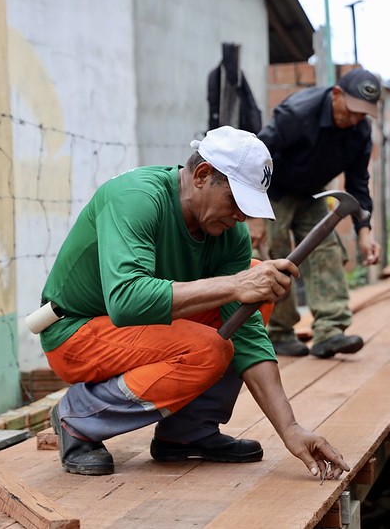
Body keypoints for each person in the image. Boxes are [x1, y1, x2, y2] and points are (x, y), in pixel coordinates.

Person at [35, 126, 349, 480]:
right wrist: (234, 285)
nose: (241, 217)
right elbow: (125, 300)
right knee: (210, 344)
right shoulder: (136, 198)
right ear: (202, 176)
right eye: (236, 201)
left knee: (254, 292)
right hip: (75, 332)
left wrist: (291, 429)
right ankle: (77, 418)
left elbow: (246, 335)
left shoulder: (230, 234)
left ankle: (187, 433)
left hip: (135, 330)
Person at [248, 67, 382, 359]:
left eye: (364, 113)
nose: (356, 119)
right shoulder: (297, 113)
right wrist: (253, 213)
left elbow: (358, 182)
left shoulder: (360, 129)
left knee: (327, 250)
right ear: (336, 95)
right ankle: (280, 332)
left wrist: (364, 231)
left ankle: (330, 332)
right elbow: (256, 157)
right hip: (274, 189)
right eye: (352, 111)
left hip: (313, 193)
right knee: (277, 256)